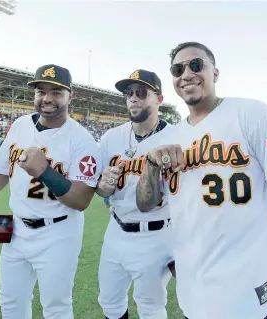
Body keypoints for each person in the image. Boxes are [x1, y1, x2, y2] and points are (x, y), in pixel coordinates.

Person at [136, 42, 267, 319]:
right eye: (178, 69)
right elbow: (145, 204)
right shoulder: (166, 139)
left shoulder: (251, 114)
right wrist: (152, 166)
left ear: (215, 73)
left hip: (252, 284)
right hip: (195, 288)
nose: (187, 74)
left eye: (196, 65)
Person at [0, 64, 101, 319]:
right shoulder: (20, 125)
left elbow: (80, 201)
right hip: (16, 231)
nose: (47, 98)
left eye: (56, 92)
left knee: (56, 308)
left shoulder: (83, 141)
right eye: (41, 91)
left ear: (71, 96)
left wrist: (44, 171)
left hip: (59, 232)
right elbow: (1, 171)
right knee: (11, 303)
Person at [96, 69, 174, 319]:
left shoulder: (176, 137)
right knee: (109, 301)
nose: (133, 98)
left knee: (150, 308)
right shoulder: (111, 137)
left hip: (156, 234)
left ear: (159, 99)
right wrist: (104, 188)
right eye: (129, 93)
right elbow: (101, 189)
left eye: (141, 92)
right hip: (116, 230)